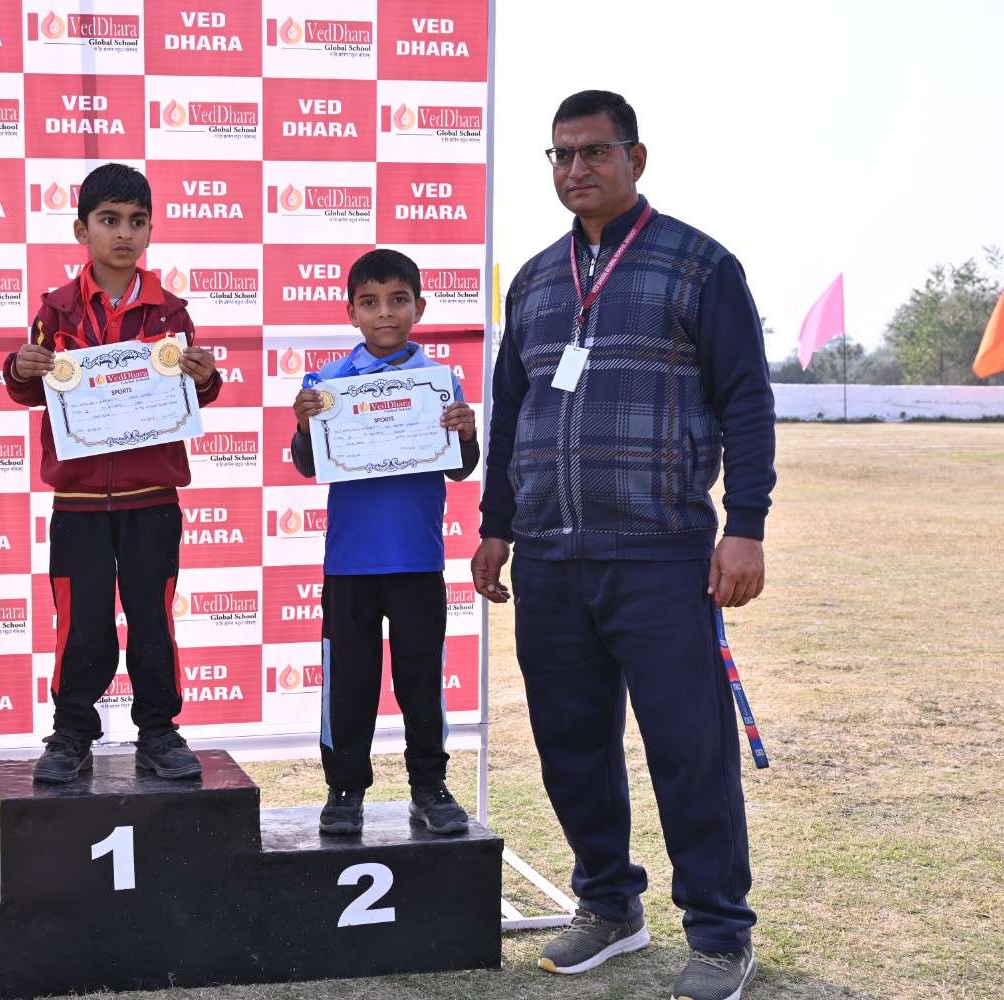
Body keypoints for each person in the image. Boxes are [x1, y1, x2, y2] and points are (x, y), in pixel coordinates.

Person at [473, 91, 775, 1000]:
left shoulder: (699, 264)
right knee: (571, 746)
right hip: (550, 555)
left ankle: (718, 933)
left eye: (594, 152)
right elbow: (511, 411)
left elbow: (746, 399)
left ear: (635, 159)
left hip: (661, 551)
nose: (576, 170)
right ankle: (608, 906)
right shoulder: (535, 280)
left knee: (689, 750)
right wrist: (496, 525)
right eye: (561, 155)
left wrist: (746, 526)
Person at [3, 163, 222, 783]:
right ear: (82, 230)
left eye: (136, 221)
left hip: (153, 497)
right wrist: (21, 367)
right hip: (77, 500)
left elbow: (190, 394)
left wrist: (206, 378)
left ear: (150, 229)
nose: (124, 233)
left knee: (153, 618)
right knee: (80, 622)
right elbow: (29, 389)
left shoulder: (171, 313)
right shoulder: (56, 310)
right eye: (109, 220)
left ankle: (159, 730)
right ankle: (72, 730)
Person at [290, 249, 480, 837]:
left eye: (398, 301)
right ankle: (345, 790)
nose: (385, 313)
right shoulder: (326, 382)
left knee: (421, 679)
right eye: (370, 303)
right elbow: (307, 464)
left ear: (419, 307)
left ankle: (430, 787)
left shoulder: (439, 381)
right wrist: (304, 426)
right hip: (350, 563)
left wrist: (465, 433)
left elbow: (461, 468)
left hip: (417, 560)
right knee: (349, 681)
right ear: (351, 312)